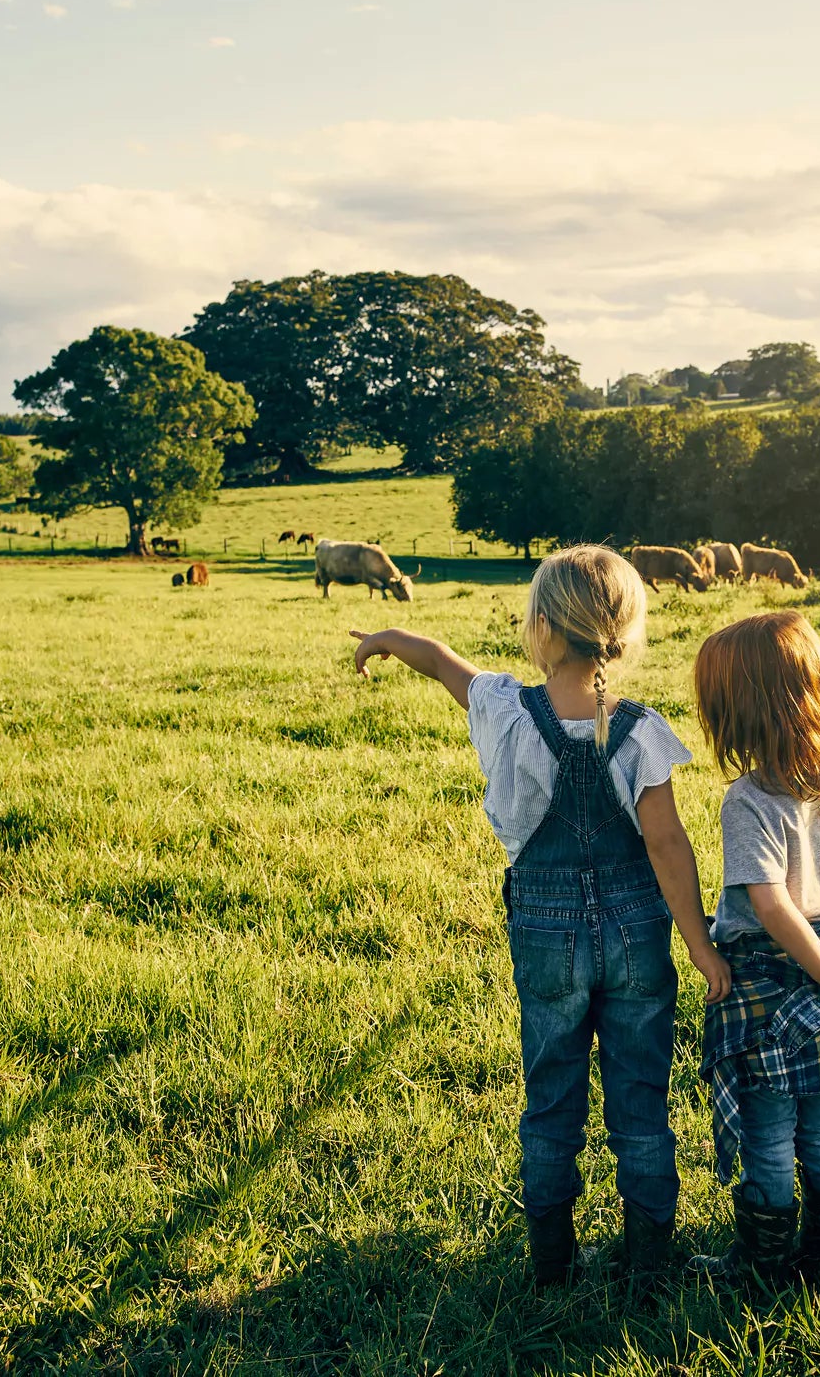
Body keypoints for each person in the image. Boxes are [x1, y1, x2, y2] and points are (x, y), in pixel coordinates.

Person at [348, 544, 729, 1286]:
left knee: (551, 1095)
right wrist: (701, 946)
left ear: (542, 625)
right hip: (636, 931)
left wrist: (385, 640)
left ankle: (552, 1263)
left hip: (546, 931)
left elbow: (440, 662)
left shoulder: (502, 707)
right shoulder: (640, 729)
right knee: (641, 1101)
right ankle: (650, 1260)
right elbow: (666, 843)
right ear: (624, 629)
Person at [684, 611, 820, 1288]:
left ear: (737, 712)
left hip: (768, 975)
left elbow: (768, 905)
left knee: (768, 1128)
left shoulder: (747, 801)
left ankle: (764, 1263)